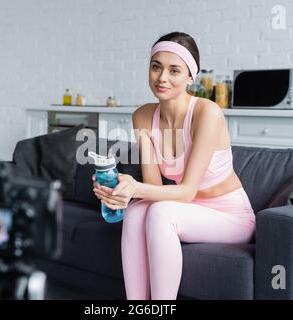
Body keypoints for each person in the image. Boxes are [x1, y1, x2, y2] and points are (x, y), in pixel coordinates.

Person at [92, 31, 255, 300]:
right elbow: (153, 187)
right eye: (156, 67)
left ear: (190, 76)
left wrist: (135, 188)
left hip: (231, 216)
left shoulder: (207, 113)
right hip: (188, 209)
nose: (162, 78)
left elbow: (187, 191)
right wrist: (120, 190)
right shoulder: (143, 116)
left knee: (161, 214)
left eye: (174, 70)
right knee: (135, 212)